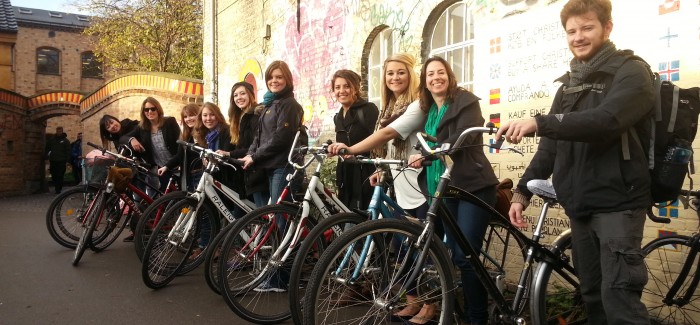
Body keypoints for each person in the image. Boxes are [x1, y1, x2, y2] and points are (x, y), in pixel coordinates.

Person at [495, 0, 654, 323]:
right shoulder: (569, 84)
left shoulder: (632, 72)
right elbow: (551, 147)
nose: (578, 36)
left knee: (619, 301)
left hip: (618, 205)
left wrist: (541, 122)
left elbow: (606, 120)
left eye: (587, 28)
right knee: (592, 297)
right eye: (571, 31)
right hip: (579, 205)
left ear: (607, 28)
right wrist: (522, 192)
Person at [329, 57, 498, 325]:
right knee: (451, 254)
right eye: (430, 74)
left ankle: (477, 318)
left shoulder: (465, 101)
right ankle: (450, 308)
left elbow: (463, 136)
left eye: (440, 72)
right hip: (441, 187)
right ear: (425, 80)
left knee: (465, 257)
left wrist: (430, 152)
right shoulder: (430, 109)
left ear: (449, 75)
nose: (435, 78)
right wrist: (398, 164)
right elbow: (414, 143)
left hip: (471, 185)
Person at [240, 60, 306, 293]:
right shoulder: (271, 104)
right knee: (277, 222)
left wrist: (255, 157)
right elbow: (259, 138)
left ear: (287, 79)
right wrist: (250, 154)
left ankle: (282, 279)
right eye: (271, 77)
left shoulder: (289, 105)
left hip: (283, 168)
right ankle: (280, 276)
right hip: (272, 167)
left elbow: (281, 139)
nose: (274, 81)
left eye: (279, 77)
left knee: (282, 223)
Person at [123, 97, 181, 242]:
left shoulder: (169, 122)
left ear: (158, 109)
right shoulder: (143, 127)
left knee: (180, 199)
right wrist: (132, 140)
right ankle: (166, 229)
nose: (150, 112)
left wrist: (177, 162)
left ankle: (182, 229)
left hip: (177, 166)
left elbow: (180, 143)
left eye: (152, 108)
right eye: (146, 109)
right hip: (161, 169)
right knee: (166, 201)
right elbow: (124, 137)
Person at [331, 69, 379, 210]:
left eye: (347, 86)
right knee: (346, 212)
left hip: (365, 172)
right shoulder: (338, 116)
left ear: (356, 88)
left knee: (363, 216)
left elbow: (379, 141)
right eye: (337, 87)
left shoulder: (368, 110)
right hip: (345, 174)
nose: (342, 91)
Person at [218, 81, 269, 208]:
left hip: (258, 173)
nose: (239, 98)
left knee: (263, 215)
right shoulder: (239, 118)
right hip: (247, 174)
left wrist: (230, 153)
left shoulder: (256, 116)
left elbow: (254, 146)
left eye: (242, 93)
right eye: (235, 95)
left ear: (251, 95)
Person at [45, 126, 71, 194]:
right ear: (56, 131)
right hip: (53, 160)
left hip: (62, 160)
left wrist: (67, 160)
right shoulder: (52, 140)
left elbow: (68, 151)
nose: (59, 132)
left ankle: (58, 189)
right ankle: (56, 186)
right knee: (54, 174)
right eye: (58, 131)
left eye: (60, 131)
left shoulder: (65, 141)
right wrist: (47, 157)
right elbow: (47, 148)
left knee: (60, 175)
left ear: (62, 131)